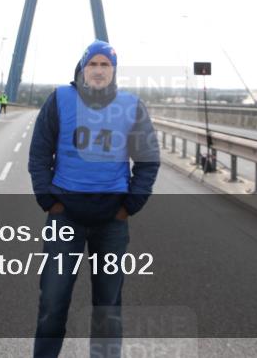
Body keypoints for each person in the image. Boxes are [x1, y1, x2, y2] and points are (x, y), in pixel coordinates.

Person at [28, 40, 160, 358]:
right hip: (65, 217)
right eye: (93, 64)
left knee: (108, 307)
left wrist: (129, 207)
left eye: (105, 65)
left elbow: (148, 160)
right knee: (52, 301)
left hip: (111, 221)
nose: (99, 70)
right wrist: (50, 202)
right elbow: (39, 154)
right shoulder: (60, 100)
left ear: (113, 71)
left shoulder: (131, 105)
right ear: (82, 68)